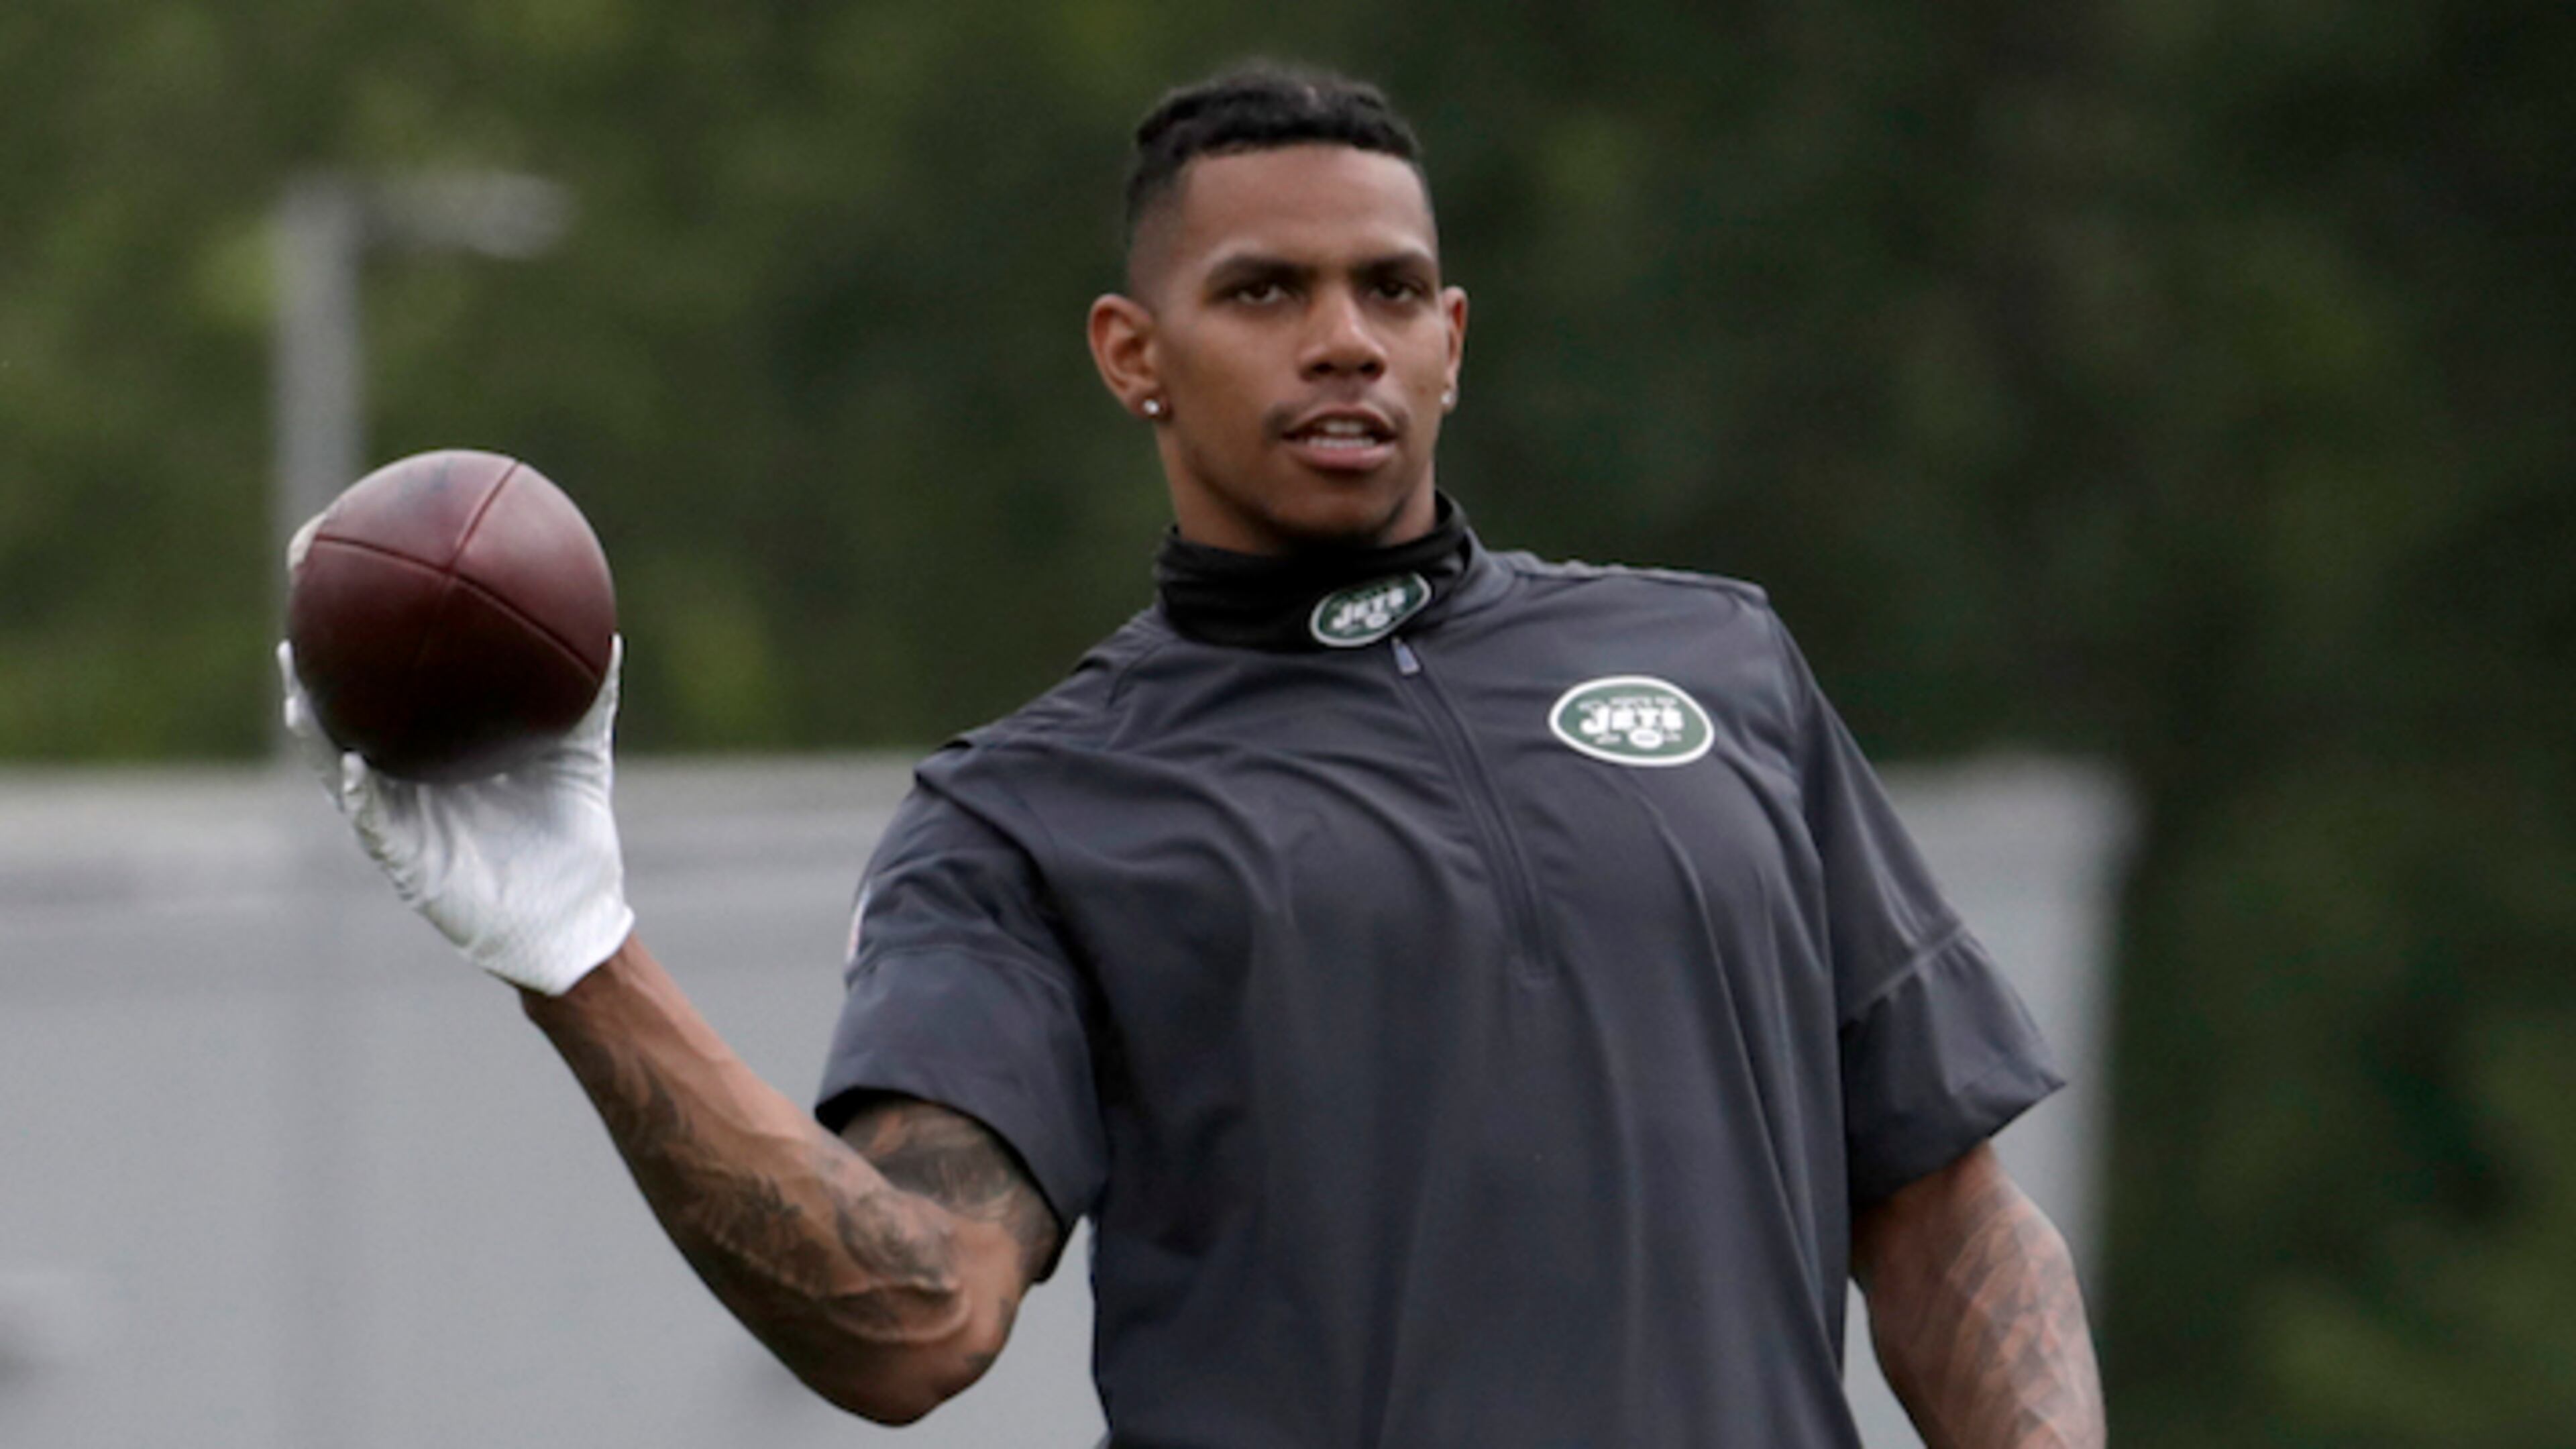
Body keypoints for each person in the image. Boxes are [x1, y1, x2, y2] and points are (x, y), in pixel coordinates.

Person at [283, 64, 2106, 1448]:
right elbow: (911, 1318)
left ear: (1454, 339)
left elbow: (1940, 1208)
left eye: (1394, 290)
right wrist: (576, 954)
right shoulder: (1026, 819)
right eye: (1266, 292)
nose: (1344, 340)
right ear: (1131, 354)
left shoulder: (1721, 665)